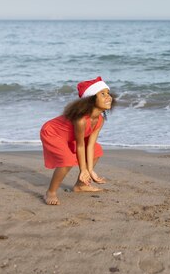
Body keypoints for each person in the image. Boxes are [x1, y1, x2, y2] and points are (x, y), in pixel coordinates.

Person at [40, 76, 115, 205]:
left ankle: (81, 185)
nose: (108, 97)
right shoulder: (81, 120)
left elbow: (90, 145)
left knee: (97, 150)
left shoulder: (100, 119)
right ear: (91, 100)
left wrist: (90, 170)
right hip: (52, 132)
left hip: (70, 136)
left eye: (108, 93)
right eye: (102, 94)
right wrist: (83, 170)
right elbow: (80, 146)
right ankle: (50, 192)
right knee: (67, 160)